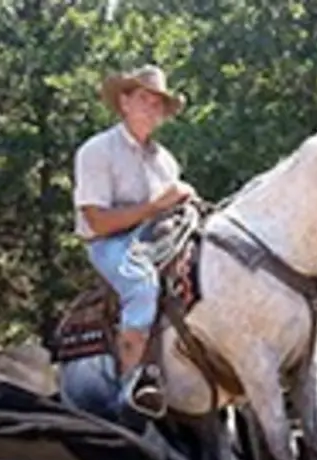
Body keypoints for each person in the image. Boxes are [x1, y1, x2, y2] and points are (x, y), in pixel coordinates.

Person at [72, 64, 196, 418]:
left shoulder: (165, 161)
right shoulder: (97, 151)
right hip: (110, 242)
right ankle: (131, 386)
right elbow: (96, 219)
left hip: (162, 237)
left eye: (158, 103)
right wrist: (155, 206)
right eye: (144, 99)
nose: (151, 108)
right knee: (141, 283)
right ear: (124, 102)